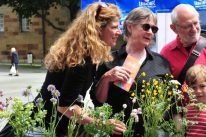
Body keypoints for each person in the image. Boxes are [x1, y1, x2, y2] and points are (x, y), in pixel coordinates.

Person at [26, 2, 125, 136]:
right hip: (43, 129)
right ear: (98, 28)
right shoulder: (81, 60)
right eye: (114, 27)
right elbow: (65, 107)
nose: (119, 32)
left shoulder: (81, 53)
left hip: (48, 124)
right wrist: (102, 124)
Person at [90, 7, 172, 137]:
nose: (150, 32)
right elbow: (99, 102)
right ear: (129, 27)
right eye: (146, 27)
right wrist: (106, 78)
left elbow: (171, 102)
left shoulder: (161, 62)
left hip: (153, 133)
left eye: (154, 29)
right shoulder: (108, 60)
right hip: (118, 133)